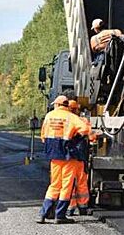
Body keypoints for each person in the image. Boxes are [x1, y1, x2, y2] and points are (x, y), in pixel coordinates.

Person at [36, 95, 90, 224]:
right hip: (67, 155)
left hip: (54, 154)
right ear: (66, 105)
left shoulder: (49, 116)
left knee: (54, 184)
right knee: (66, 185)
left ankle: (42, 214)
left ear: (57, 105)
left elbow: (43, 135)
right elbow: (85, 129)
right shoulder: (72, 117)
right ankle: (59, 215)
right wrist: (75, 140)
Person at [66, 99, 94, 217]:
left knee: (69, 182)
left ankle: (70, 208)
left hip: (69, 156)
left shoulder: (66, 120)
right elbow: (91, 136)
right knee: (81, 182)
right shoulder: (82, 121)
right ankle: (82, 207)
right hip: (80, 156)